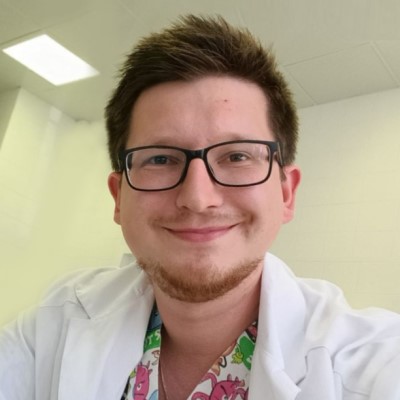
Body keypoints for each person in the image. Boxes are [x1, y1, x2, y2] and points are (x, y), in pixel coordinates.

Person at [1, 14, 400, 400]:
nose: (197, 197)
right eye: (160, 158)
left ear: (286, 193)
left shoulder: (377, 365)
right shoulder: (54, 324)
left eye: (237, 156)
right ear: (118, 197)